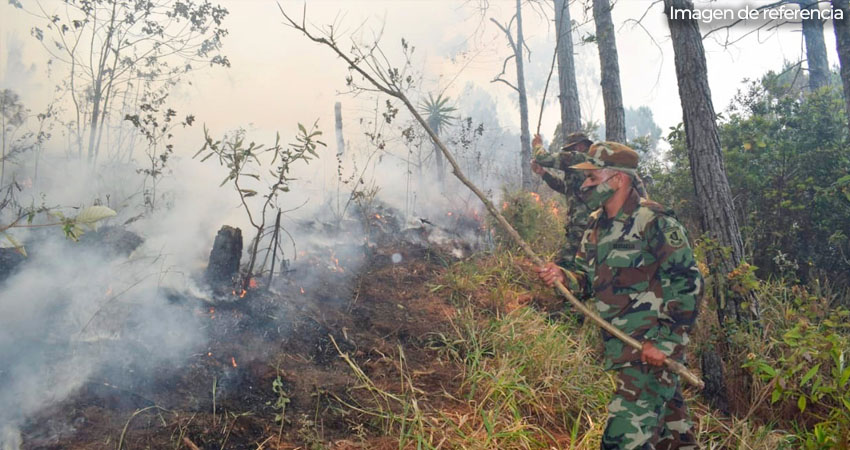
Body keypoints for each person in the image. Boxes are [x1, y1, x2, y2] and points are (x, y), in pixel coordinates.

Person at [535, 142, 703, 449]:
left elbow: (687, 282)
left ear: (618, 179)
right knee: (674, 439)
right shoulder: (595, 225)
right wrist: (562, 277)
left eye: (592, 178)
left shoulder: (654, 221)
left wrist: (664, 342)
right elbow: (585, 280)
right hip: (625, 350)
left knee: (620, 441)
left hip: (651, 352)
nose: (584, 185)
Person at [531, 132, 593, 271]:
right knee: (581, 263)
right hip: (581, 223)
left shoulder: (579, 159)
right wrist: (543, 174)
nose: (569, 153)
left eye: (572, 149)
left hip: (584, 223)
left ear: (581, 146)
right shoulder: (582, 166)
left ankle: (568, 287)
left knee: (566, 263)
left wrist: (537, 145)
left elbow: (543, 157)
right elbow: (565, 188)